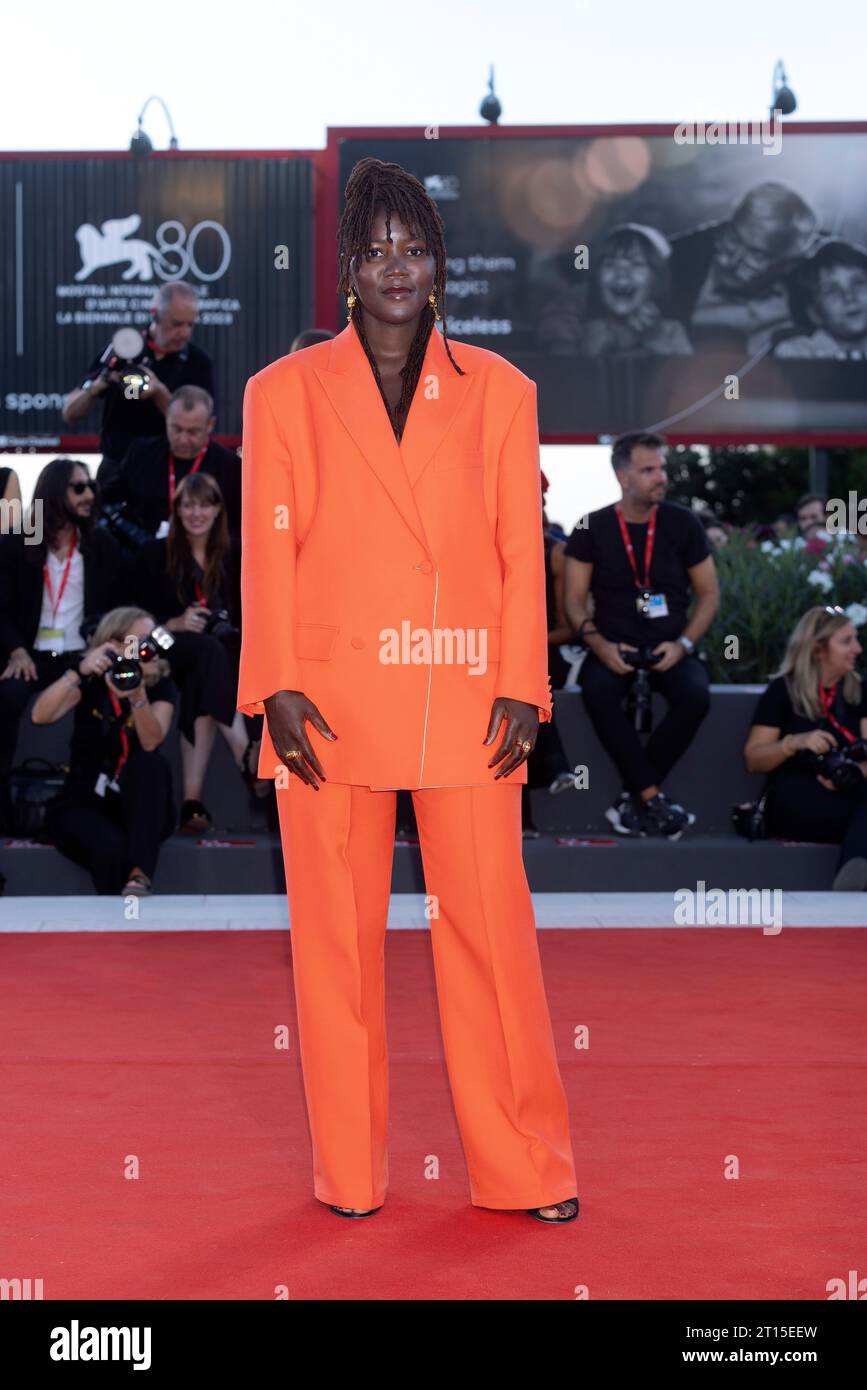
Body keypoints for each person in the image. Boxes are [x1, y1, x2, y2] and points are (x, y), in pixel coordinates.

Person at [237, 157, 579, 1225]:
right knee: (333, 951)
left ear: (439, 266)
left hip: (466, 697)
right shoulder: (280, 392)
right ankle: (350, 1174)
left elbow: (521, 553)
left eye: (415, 248)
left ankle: (527, 1167)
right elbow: (268, 551)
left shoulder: (503, 392)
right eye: (377, 248)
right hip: (325, 707)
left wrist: (526, 683)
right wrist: (274, 689)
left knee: (491, 940)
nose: (396, 267)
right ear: (347, 265)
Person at [563, 431, 719, 838]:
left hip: (671, 646)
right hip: (612, 647)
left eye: (661, 468)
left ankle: (634, 799)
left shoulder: (683, 522)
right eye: (648, 469)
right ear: (623, 477)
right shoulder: (591, 526)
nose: (660, 477)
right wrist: (600, 645)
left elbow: (709, 594)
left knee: (695, 696)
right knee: (597, 693)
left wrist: (684, 645)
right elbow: (574, 600)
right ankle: (650, 797)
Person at [133, 470, 266, 832]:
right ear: (176, 510)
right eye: (188, 505)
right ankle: (246, 757)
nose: (196, 514)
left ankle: (192, 803)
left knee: (203, 679)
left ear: (219, 509)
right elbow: (134, 618)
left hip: (222, 655)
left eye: (204, 505)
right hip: (163, 647)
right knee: (207, 653)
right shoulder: (154, 553)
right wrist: (174, 623)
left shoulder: (238, 553)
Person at [0, 458, 129, 830]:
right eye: (79, 487)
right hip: (30, 656)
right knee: (7, 696)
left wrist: (104, 646)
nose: (90, 494)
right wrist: (15, 649)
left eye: (91, 486)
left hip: (82, 655)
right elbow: (2, 607)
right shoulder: (18, 543)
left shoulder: (101, 545)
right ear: (55, 492)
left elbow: (117, 607)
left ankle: (81, 803)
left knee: (100, 701)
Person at [33, 607, 178, 895]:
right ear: (113, 644)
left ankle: (140, 876)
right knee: (110, 847)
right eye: (140, 641)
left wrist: (138, 695)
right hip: (84, 802)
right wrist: (77, 671)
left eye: (152, 640)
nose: (150, 648)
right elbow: (40, 715)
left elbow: (151, 742)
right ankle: (122, 925)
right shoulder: (90, 680)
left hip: (137, 806)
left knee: (150, 764)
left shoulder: (160, 686)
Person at [743, 606, 867, 891]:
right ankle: (854, 879)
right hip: (794, 798)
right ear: (818, 650)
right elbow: (753, 759)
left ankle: (854, 877)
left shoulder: (858, 692)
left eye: (856, 639)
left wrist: (853, 772)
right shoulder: (782, 691)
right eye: (847, 641)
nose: (857, 649)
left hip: (849, 794)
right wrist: (794, 743)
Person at [61, 282, 215, 485]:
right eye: (177, 324)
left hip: (165, 472)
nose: (185, 333)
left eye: (190, 325)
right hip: (116, 469)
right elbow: (69, 413)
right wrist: (99, 385)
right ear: (155, 314)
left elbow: (200, 425)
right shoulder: (125, 351)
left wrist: (158, 391)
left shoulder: (197, 362)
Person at [668, 183, 819, 354]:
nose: (732, 261)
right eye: (733, 239)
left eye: (757, 255)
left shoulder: (811, 289)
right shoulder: (674, 263)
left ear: (788, 264)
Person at [100, 385, 242, 542]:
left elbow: (240, 524)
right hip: (145, 555)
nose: (183, 439)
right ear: (167, 417)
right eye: (177, 429)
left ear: (210, 425)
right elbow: (107, 500)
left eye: (193, 432)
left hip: (210, 559)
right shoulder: (141, 454)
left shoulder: (231, 466)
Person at [774, 239, 867, 360]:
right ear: (814, 313)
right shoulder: (798, 353)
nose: (849, 297)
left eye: (858, 283)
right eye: (832, 291)